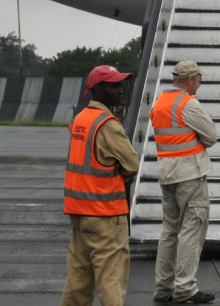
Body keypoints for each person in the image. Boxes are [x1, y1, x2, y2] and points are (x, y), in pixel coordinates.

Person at [61, 64, 140, 306]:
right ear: (98, 89)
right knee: (111, 281)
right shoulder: (107, 124)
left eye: (120, 84)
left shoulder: (80, 119)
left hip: (79, 213)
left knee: (78, 282)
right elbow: (132, 164)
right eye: (113, 85)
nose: (120, 90)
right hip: (105, 215)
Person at [150, 61, 218, 304]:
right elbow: (211, 135)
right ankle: (185, 287)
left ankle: (163, 287)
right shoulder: (188, 103)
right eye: (199, 80)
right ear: (190, 80)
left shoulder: (160, 103)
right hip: (190, 174)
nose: (199, 85)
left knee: (169, 230)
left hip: (167, 174)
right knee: (192, 228)